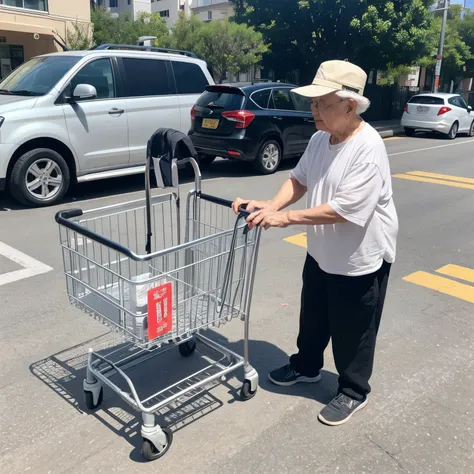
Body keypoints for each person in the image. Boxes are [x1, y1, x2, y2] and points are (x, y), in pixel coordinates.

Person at [232, 60, 399, 426]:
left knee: (353, 328)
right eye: (312, 103)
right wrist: (270, 205)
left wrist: (285, 218)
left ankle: (353, 390)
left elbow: (345, 209)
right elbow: (299, 179)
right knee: (313, 316)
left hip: (359, 258)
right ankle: (306, 366)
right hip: (322, 252)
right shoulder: (321, 139)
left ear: (350, 105)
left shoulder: (368, 148)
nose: (314, 111)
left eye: (321, 104)